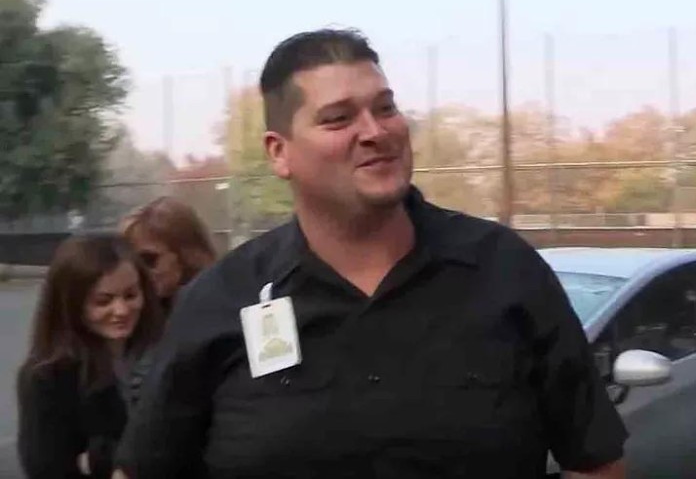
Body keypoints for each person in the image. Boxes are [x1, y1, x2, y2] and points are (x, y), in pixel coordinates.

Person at [114, 29, 627, 478]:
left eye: (385, 108)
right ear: (279, 152)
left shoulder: (504, 270)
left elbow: (595, 460)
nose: (376, 132)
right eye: (339, 119)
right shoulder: (220, 301)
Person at [17, 235, 163, 479]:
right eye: (103, 301)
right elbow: (47, 469)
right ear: (70, 304)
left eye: (130, 295)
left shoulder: (166, 352)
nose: (121, 310)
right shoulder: (46, 378)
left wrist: (99, 458)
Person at [119, 196, 217, 315]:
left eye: (148, 260)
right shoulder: (131, 314)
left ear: (185, 256)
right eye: (133, 262)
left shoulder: (218, 310)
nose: (140, 271)